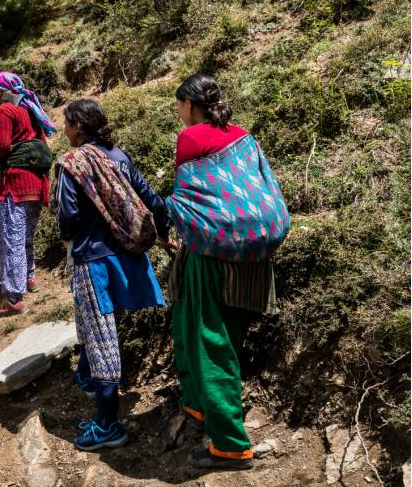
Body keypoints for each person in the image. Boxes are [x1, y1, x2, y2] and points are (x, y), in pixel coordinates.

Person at [166, 74, 287, 471]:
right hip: (252, 252)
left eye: (179, 104)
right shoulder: (242, 135)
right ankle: (200, 406)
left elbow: (193, 196)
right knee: (216, 333)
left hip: (212, 256)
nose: (179, 112)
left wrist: (178, 225)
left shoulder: (192, 139)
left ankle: (231, 446)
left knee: (208, 342)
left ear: (190, 104)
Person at [55, 99, 170, 451]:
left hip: (94, 262)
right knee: (102, 330)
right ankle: (87, 377)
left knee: (101, 338)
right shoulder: (117, 156)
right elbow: (151, 198)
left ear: (78, 126)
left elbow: (67, 215)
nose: (65, 130)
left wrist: (67, 238)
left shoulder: (71, 163)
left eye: (67, 124)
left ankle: (107, 425)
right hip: (128, 256)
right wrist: (164, 233)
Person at [0, 71, 58, 316]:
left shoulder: (5, 110)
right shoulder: (30, 109)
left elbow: (1, 144)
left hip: (15, 182)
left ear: (2, 89)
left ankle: (13, 298)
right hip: (37, 182)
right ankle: (29, 278)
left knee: (11, 238)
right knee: (26, 235)